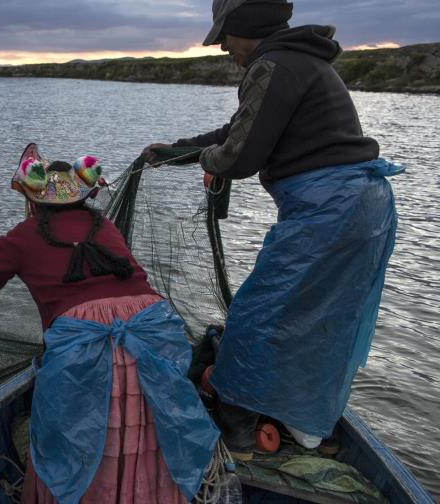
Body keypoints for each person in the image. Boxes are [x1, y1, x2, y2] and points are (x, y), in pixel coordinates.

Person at [142, 0, 401, 457]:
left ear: (248, 26)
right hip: (365, 205)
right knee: (322, 320)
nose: (222, 46)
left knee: (259, 313)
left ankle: (237, 426)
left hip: (329, 208)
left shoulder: (272, 64)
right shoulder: (300, 61)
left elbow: (239, 157)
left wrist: (207, 161)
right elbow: (238, 129)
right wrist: (175, 151)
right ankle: (310, 427)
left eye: (225, 34)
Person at [0, 144, 219, 504]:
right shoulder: (105, 226)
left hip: (87, 339)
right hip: (151, 326)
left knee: (75, 431)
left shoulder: (24, 234)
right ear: (83, 197)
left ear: (35, 201)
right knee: (147, 423)